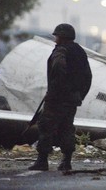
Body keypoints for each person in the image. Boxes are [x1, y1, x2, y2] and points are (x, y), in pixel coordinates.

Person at [28, 23, 92, 171]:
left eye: (57, 36)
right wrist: (79, 95)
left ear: (61, 37)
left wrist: (55, 91)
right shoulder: (79, 51)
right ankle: (66, 161)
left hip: (57, 98)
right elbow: (88, 76)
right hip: (72, 99)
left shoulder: (61, 50)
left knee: (46, 126)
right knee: (67, 127)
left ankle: (42, 160)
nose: (55, 38)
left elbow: (58, 68)